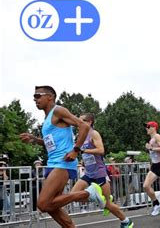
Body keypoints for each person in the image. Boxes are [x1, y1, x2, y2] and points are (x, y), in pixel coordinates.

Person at [20, 86, 105, 228]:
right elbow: (50, 143)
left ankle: (88, 193)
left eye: (38, 96)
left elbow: (83, 126)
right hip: (53, 162)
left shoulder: (58, 111)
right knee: (52, 206)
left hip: (63, 162)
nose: (35, 99)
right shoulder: (47, 118)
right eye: (34, 97)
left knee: (43, 203)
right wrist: (35, 139)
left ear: (50, 97)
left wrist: (75, 150)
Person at [69, 113, 133, 227]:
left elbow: (101, 150)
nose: (78, 123)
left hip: (99, 173)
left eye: (81, 120)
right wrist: (84, 159)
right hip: (89, 173)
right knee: (73, 195)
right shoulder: (81, 136)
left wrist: (84, 152)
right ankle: (98, 198)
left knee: (108, 204)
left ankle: (126, 221)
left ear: (89, 122)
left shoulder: (94, 133)